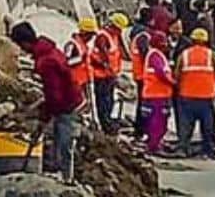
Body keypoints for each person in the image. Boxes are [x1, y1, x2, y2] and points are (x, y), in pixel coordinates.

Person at [10, 21, 83, 182]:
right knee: (59, 138)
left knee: (64, 140)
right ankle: (60, 173)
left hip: (66, 104)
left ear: (25, 43)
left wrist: (44, 115)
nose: (23, 50)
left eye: (21, 46)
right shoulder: (50, 50)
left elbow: (54, 95)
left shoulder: (46, 62)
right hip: (68, 99)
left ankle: (66, 179)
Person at [175, 28, 215, 159]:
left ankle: (183, 147)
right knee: (208, 124)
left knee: (185, 123)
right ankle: (209, 147)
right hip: (206, 96)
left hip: (187, 94)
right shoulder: (210, 54)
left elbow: (177, 74)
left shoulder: (184, 54)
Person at [90, 13, 129, 130]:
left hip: (110, 74)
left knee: (109, 99)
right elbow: (102, 55)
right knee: (103, 100)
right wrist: (106, 66)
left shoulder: (114, 36)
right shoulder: (103, 36)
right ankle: (105, 123)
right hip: (101, 75)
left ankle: (108, 120)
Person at [140, 31, 175, 154]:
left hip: (155, 93)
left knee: (155, 121)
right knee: (158, 122)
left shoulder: (155, 54)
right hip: (157, 94)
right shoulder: (155, 55)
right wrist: (173, 83)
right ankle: (154, 145)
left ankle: (154, 142)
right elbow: (160, 72)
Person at [64, 17, 99, 110]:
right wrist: (80, 59)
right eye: (90, 35)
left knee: (85, 104)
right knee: (75, 105)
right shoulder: (72, 44)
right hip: (74, 81)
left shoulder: (84, 45)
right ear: (84, 33)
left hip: (83, 80)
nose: (91, 38)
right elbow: (66, 62)